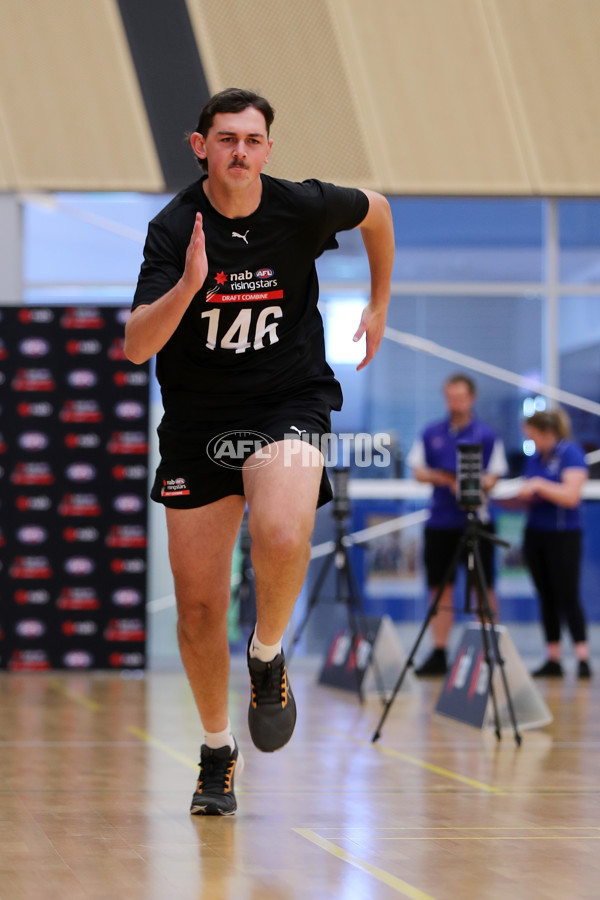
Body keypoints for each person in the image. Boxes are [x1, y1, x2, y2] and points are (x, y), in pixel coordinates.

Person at [124, 88, 394, 815]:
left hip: (288, 400)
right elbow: (136, 345)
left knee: (281, 531)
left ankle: (268, 654)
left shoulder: (300, 207)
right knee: (199, 609)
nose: (240, 150)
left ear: (268, 148)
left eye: (252, 139)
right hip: (198, 420)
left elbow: (377, 208)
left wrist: (378, 302)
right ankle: (218, 751)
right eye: (226, 138)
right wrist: (189, 284)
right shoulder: (174, 228)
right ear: (200, 146)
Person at [407, 373, 508, 675]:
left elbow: (496, 475)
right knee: (439, 589)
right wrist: (445, 479)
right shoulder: (432, 432)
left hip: (477, 522)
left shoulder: (487, 435)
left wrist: (471, 484)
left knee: (484, 587)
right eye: (450, 397)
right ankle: (439, 653)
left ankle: (489, 651)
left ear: (472, 398)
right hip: (440, 523)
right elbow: (418, 470)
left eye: (461, 397)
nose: (455, 403)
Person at [516, 408, 591, 678]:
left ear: (547, 433)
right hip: (537, 532)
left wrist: (539, 486)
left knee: (567, 595)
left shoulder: (570, 453)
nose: (531, 441)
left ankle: (582, 658)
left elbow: (571, 496)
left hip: (564, 535)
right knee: (546, 596)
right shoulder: (535, 458)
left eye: (533, 436)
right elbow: (530, 487)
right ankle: (553, 658)